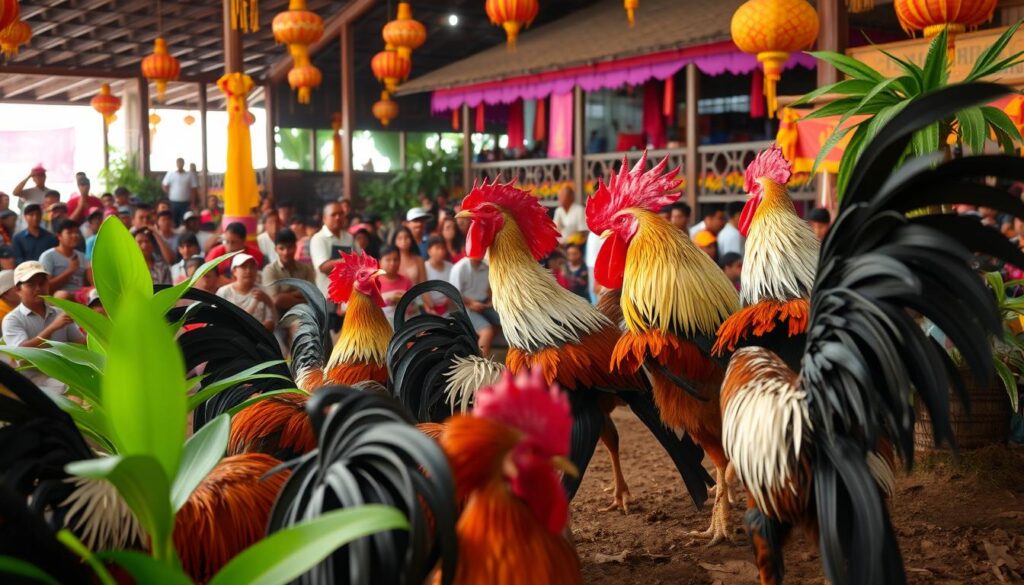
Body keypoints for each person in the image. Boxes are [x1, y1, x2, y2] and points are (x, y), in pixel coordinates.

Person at [3, 261, 85, 391]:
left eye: (42, 283)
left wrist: (92, 330)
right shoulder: (12, 319)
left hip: (66, 374)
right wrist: (53, 327)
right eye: (31, 285)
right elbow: (22, 353)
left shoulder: (59, 313)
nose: (38, 288)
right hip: (35, 380)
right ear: (18, 289)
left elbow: (80, 343)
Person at [449, 256, 501, 357]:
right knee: (487, 331)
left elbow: (489, 289)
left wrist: (491, 301)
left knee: (504, 321)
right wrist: (471, 304)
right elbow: (453, 295)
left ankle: (479, 347)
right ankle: (481, 363)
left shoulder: (486, 267)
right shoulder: (460, 267)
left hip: (483, 304)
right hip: (464, 307)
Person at [262, 228, 316, 313]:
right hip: (278, 319)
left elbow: (313, 297)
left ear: (295, 247)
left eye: (290, 247)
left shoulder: (306, 269)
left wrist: (285, 297)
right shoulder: (270, 270)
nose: (286, 252)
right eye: (281, 248)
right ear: (275, 249)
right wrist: (301, 296)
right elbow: (275, 301)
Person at [217, 253, 276, 332]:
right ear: (234, 271)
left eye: (252, 267)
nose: (248, 271)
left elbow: (272, 320)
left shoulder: (263, 291)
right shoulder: (223, 292)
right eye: (244, 267)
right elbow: (219, 319)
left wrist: (268, 300)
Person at [39, 220, 89, 299]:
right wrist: (70, 270)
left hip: (79, 296)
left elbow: (88, 282)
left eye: (76, 232)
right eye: (69, 233)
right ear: (59, 236)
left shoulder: (82, 256)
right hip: (58, 298)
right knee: (63, 295)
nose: (74, 235)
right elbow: (46, 287)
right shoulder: (48, 256)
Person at [377, 245, 415, 326]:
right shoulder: (374, 282)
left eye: (396, 259)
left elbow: (413, 308)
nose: (392, 263)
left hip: (402, 327)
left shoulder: (406, 281)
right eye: (388, 260)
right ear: (380, 261)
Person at [162, 158, 198, 224]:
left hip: (186, 202)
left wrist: (193, 202)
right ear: (176, 164)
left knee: (184, 220)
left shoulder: (190, 175)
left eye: (181, 162)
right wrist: (170, 192)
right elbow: (164, 185)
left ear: (183, 164)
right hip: (173, 202)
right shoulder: (171, 174)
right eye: (178, 162)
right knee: (173, 220)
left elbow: (193, 189)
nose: (180, 164)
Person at [424, 236, 453, 315]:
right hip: (429, 310)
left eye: (443, 248)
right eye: (437, 248)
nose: (441, 251)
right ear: (429, 251)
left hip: (449, 308)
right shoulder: (424, 268)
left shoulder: (451, 267)